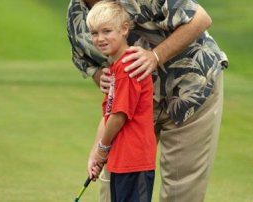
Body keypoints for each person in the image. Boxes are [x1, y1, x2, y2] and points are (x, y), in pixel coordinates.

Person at [67, 0, 228, 201]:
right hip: (135, 101)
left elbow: (200, 19)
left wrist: (155, 56)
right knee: (116, 184)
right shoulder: (76, 13)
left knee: (181, 191)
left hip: (190, 88)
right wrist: (102, 76)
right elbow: (86, 61)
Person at [86, 1, 157, 201]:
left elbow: (118, 116)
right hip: (121, 160)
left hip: (134, 160)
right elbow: (108, 115)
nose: (100, 39)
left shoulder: (127, 67)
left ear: (124, 29)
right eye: (94, 33)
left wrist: (102, 149)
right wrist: (97, 154)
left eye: (107, 31)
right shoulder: (115, 68)